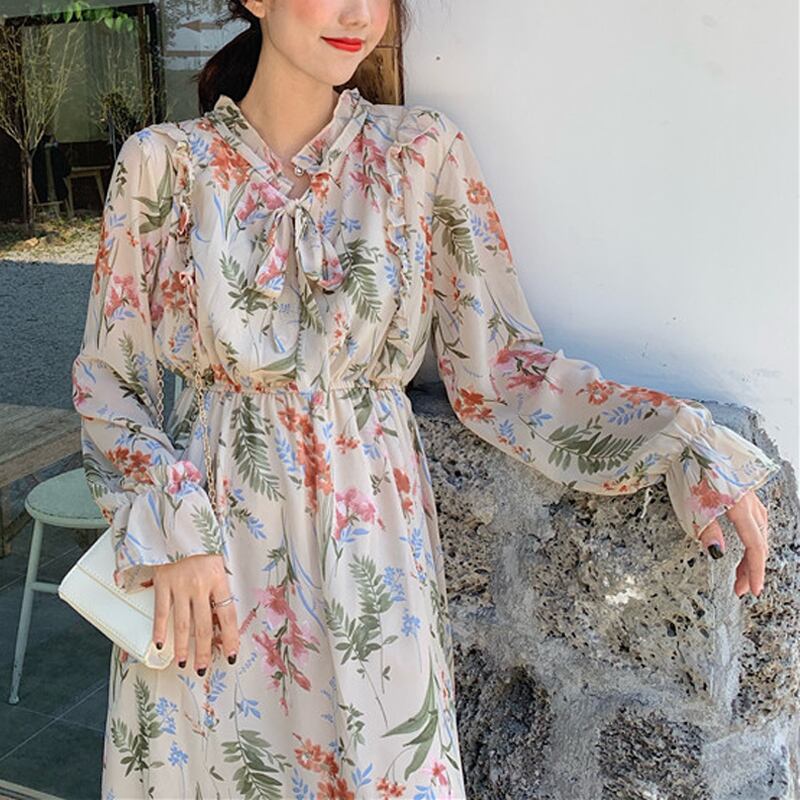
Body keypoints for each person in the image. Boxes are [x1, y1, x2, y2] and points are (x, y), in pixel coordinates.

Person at [70, 1, 781, 797]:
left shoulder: (418, 154)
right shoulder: (162, 165)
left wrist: (680, 441)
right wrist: (173, 527)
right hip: (204, 565)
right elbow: (109, 378)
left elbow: (501, 370)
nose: (360, 13)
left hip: (370, 564)